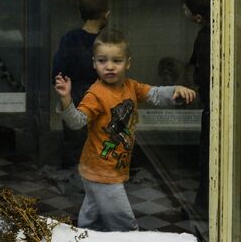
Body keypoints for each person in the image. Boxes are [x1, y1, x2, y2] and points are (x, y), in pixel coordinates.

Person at [54, 29, 196, 232]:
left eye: (116, 61)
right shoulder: (95, 94)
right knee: (124, 223)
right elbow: (77, 122)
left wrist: (175, 90)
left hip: (106, 168)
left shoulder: (131, 86)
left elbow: (155, 94)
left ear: (128, 62)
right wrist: (66, 100)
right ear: (94, 63)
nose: (109, 67)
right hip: (102, 171)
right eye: (102, 61)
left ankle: (84, 235)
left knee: (91, 218)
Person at [52, 0, 110, 167]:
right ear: (106, 14)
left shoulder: (69, 39)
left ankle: (72, 173)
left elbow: (58, 72)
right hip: (103, 96)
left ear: (80, 13)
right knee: (103, 137)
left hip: (74, 95)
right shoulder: (109, 40)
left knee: (74, 139)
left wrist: (64, 92)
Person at [182, 0, 210, 217]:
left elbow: (200, 73)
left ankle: (202, 208)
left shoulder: (204, 37)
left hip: (211, 106)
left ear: (198, 17)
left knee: (207, 156)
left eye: (186, 9)